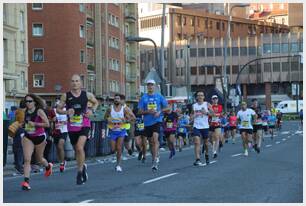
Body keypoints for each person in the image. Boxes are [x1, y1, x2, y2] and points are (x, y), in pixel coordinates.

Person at [56, 74, 98, 185]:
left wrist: (92, 111)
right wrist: (66, 112)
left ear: (81, 83)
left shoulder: (87, 95)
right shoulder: (66, 96)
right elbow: (58, 109)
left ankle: (79, 174)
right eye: (73, 81)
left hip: (84, 124)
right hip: (72, 126)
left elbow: (96, 102)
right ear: (70, 83)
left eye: (77, 81)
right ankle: (83, 166)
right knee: (77, 151)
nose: (75, 83)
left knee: (79, 147)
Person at [21, 94, 53, 190]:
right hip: (28, 136)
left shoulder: (39, 111)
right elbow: (25, 123)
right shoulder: (25, 111)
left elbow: (47, 124)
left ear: (34, 102)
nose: (28, 103)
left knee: (39, 159)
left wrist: (35, 124)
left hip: (39, 137)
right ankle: (26, 182)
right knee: (27, 159)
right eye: (26, 101)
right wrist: (22, 125)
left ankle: (48, 166)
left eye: (30, 101)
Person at [138, 79, 168, 171]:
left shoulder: (159, 97)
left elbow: (167, 108)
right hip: (147, 123)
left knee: (155, 139)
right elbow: (139, 111)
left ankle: (155, 160)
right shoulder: (143, 98)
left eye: (152, 85)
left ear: (155, 87)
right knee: (151, 142)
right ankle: (155, 155)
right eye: (148, 85)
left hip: (157, 121)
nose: (150, 87)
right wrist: (148, 111)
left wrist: (159, 112)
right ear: (147, 87)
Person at [104, 94, 136, 172]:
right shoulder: (110, 109)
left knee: (119, 148)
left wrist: (126, 120)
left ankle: (118, 165)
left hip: (121, 131)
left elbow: (133, 117)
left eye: (118, 98)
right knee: (113, 148)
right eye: (115, 99)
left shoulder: (125, 109)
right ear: (113, 100)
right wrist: (108, 120)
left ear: (120, 100)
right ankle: (121, 154)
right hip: (112, 131)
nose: (116, 100)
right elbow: (105, 117)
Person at [191, 91, 213, 166]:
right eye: (198, 95)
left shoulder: (207, 104)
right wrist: (193, 116)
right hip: (196, 126)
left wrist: (206, 113)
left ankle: (206, 154)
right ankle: (197, 159)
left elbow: (213, 114)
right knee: (197, 142)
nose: (200, 97)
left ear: (203, 97)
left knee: (206, 143)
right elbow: (191, 116)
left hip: (205, 126)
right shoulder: (194, 106)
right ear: (197, 97)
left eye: (201, 95)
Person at [53, 101, 68, 172]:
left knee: (60, 145)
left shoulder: (66, 110)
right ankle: (62, 161)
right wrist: (53, 122)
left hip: (64, 130)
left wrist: (64, 122)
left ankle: (62, 164)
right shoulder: (54, 111)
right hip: (56, 131)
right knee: (58, 148)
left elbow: (71, 119)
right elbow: (50, 119)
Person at [13, 101, 26, 173]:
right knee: (20, 149)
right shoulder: (22, 112)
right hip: (21, 130)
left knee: (16, 147)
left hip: (16, 130)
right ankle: (20, 166)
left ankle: (17, 164)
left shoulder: (17, 111)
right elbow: (22, 122)